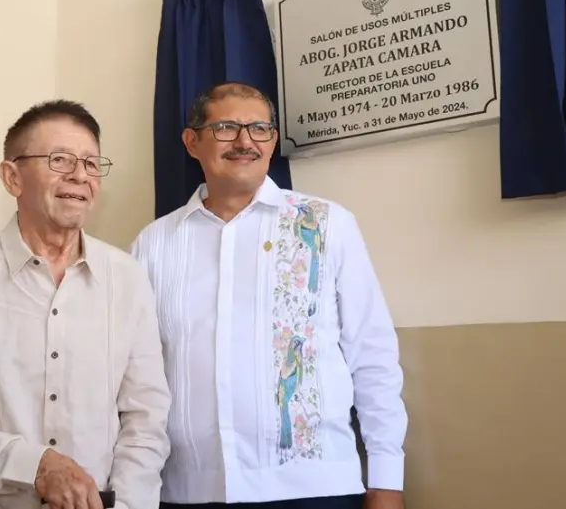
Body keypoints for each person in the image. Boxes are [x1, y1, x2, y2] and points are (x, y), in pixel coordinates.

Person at [131, 82, 408, 509]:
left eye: (259, 128)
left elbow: (372, 355)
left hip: (314, 489)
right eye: (225, 127)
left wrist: (387, 481)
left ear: (272, 140)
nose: (244, 141)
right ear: (192, 142)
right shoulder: (154, 243)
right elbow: (136, 373)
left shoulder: (326, 225)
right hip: (188, 491)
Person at [0, 100, 171, 509]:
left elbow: (146, 417)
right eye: (59, 160)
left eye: (91, 164)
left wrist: (128, 504)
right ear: (12, 177)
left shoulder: (127, 277)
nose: (79, 175)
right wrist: (35, 465)